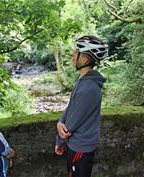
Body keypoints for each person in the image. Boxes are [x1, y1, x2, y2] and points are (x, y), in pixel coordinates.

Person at [55, 35, 108, 177]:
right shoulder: (84, 80)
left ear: (84, 59)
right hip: (77, 144)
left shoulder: (87, 88)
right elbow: (72, 106)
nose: (72, 56)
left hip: (81, 147)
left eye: (75, 53)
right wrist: (60, 121)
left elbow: (70, 126)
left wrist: (59, 140)